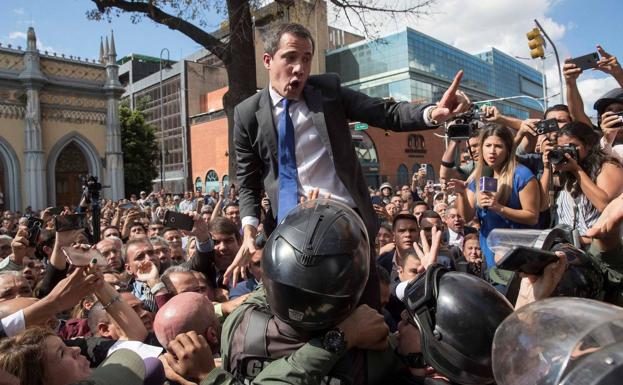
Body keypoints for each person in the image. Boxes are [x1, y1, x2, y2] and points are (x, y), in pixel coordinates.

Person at [230, 22, 471, 304]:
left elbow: (385, 112)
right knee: (305, 316)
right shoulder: (246, 114)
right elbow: (247, 181)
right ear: (268, 60)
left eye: (307, 59)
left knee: (364, 314)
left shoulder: (328, 91)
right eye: (291, 57)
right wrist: (248, 232)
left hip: (348, 228)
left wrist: (432, 113)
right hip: (290, 235)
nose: (300, 68)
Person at [452, 124, 540, 286]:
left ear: (508, 149)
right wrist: (461, 193)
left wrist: (499, 208)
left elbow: (532, 217)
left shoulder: (522, 175)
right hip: (490, 260)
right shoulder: (478, 177)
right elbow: (466, 217)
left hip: (517, 263)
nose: (492, 151)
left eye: (498, 146)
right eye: (488, 146)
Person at [541, 121, 623, 244]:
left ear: (589, 144)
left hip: (598, 248)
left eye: (572, 146)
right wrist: (547, 167)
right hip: (567, 247)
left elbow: (604, 206)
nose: (566, 152)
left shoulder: (607, 166)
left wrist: (576, 170)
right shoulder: (563, 172)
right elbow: (541, 206)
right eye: (562, 148)